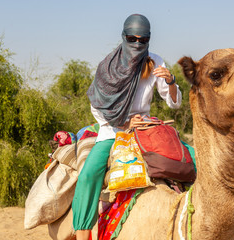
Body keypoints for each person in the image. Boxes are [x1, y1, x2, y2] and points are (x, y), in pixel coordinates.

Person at [71, 14, 182, 239]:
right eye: (133, 38)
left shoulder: (156, 61)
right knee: (88, 175)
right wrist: (124, 122)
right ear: (124, 37)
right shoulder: (109, 65)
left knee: (186, 160)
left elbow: (174, 103)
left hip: (145, 129)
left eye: (143, 40)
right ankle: (82, 233)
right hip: (113, 130)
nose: (138, 44)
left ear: (149, 40)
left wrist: (170, 82)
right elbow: (97, 107)